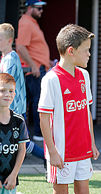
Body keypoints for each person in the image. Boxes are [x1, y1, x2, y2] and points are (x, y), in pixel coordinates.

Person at [38, 24, 101, 194]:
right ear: (72, 50)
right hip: (61, 153)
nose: (89, 55)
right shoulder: (51, 79)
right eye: (86, 50)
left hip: (82, 150)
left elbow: (86, 111)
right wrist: (52, 152)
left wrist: (92, 142)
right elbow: (44, 118)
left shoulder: (84, 76)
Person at [0, 23, 45, 161]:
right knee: (19, 143)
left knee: (22, 143)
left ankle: (48, 159)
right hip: (11, 109)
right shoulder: (6, 58)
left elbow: (5, 85)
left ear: (9, 41)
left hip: (13, 110)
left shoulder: (10, 61)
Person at [0, 73, 29, 194]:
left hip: (9, 179)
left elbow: (22, 150)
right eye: (2, 90)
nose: (7, 94)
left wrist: (13, 174)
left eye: (11, 91)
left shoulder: (18, 121)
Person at [16, 0, 51, 142]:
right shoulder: (26, 23)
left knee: (35, 101)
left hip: (39, 68)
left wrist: (46, 61)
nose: (41, 11)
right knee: (38, 101)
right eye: (39, 8)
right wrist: (34, 65)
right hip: (34, 71)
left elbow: (34, 48)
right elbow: (20, 47)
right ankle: (38, 134)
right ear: (29, 8)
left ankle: (34, 134)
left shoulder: (32, 23)